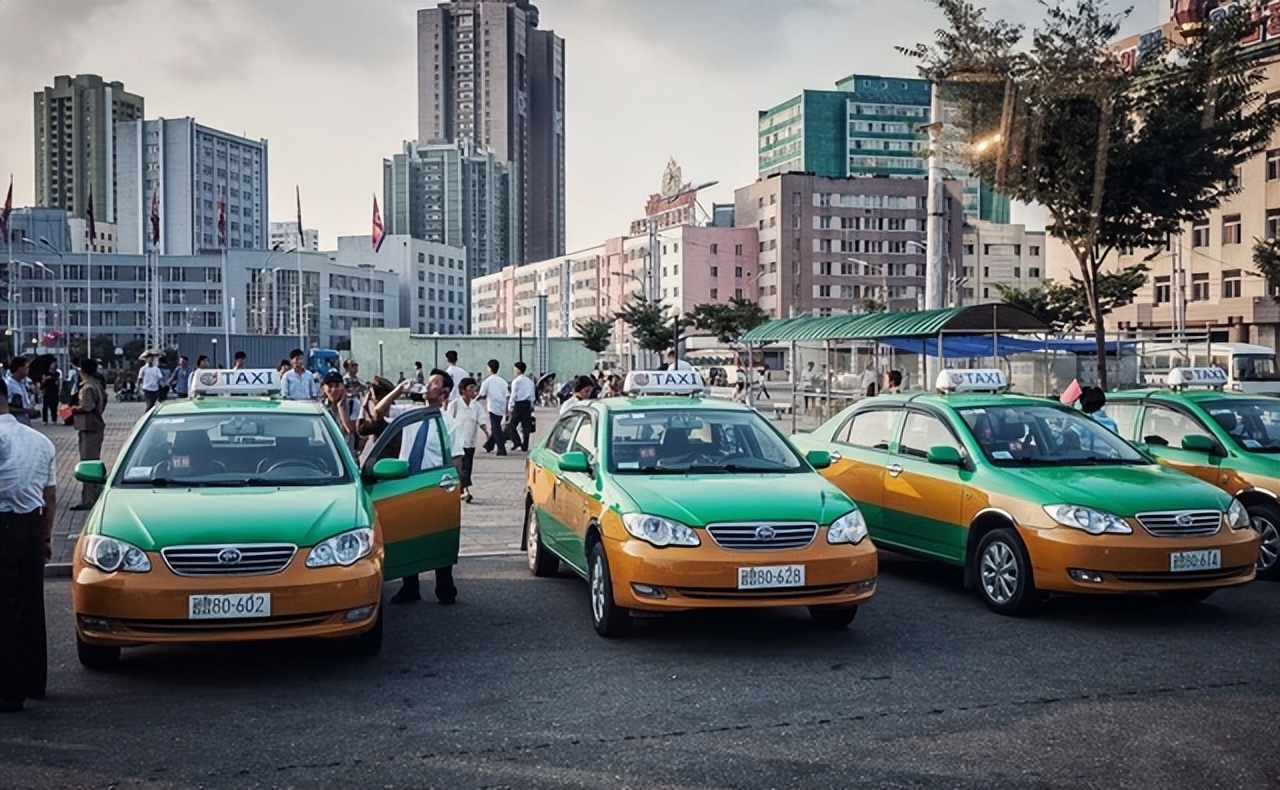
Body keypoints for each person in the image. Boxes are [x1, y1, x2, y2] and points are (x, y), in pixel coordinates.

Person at [0, 377, 57, 712]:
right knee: (31, 605)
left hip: (3, 525)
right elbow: (50, 496)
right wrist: (47, 537)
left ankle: (9, 691)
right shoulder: (40, 441)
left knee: (4, 609)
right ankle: (35, 682)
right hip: (32, 526)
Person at [390, 369, 458, 606]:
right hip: (407, 485)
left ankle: (445, 587)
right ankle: (410, 587)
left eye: (434, 383)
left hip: (433, 488)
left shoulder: (449, 423)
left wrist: (453, 489)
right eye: (427, 382)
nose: (428, 386)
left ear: (444, 392)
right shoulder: (410, 414)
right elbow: (378, 413)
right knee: (408, 536)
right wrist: (399, 390)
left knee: (438, 537)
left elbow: (456, 461)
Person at [69, 358, 107, 511]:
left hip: (89, 428)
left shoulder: (87, 387)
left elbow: (88, 406)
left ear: (82, 370)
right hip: (94, 427)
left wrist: (73, 409)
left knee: (87, 465)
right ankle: (95, 496)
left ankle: (89, 499)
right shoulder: (96, 384)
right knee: (93, 463)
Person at [446, 376, 487, 503]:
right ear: (463, 390)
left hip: (470, 442)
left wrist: (488, 433)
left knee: (468, 467)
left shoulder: (476, 406)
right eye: (470, 388)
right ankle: (465, 491)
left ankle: (463, 490)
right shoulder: (455, 405)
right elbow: (448, 422)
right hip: (457, 443)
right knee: (461, 467)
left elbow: (481, 420)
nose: (473, 391)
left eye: (474, 388)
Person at [478, 359, 509, 456]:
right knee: (496, 426)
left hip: (493, 406)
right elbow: (507, 395)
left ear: (489, 368)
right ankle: (489, 445)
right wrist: (507, 409)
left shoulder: (487, 381)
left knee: (496, 428)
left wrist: (474, 401)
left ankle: (501, 449)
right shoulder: (503, 381)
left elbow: (482, 394)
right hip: (502, 406)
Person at [321, 371, 359, 451]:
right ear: (324, 388)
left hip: (347, 452)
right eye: (330, 386)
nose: (334, 390)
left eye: (337, 386)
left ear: (343, 387)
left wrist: (341, 407)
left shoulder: (353, 403)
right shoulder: (320, 407)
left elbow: (349, 430)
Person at [508, 361, 536, 452]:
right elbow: (532, 395)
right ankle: (525, 445)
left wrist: (510, 406)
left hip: (519, 404)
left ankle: (517, 442)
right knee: (526, 426)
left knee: (512, 425)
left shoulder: (516, 381)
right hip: (527, 404)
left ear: (518, 370)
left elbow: (513, 395)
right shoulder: (530, 381)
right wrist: (532, 406)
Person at [4, 357, 38, 426]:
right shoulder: (8, 385)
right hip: (14, 421)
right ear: (20, 368)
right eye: (27, 367)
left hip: (25, 419)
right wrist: (25, 410)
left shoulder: (26, 383)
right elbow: (6, 406)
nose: (28, 369)